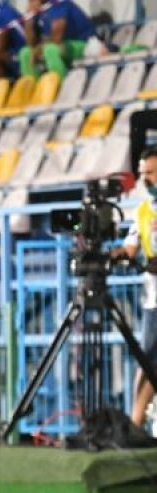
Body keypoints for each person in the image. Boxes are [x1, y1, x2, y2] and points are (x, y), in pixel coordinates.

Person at [111, 148, 157, 428]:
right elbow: (130, 248)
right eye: (142, 175)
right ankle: (135, 429)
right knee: (148, 364)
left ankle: (136, 427)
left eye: (150, 173)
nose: (145, 180)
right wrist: (108, 256)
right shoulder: (142, 210)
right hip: (154, 303)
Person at [20, 0, 95, 79]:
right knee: (25, 53)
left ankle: (61, 87)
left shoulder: (59, 3)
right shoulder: (39, 7)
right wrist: (29, 18)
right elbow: (30, 43)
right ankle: (33, 87)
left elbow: (56, 37)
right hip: (60, 46)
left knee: (50, 50)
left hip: (84, 44)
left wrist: (38, 50)